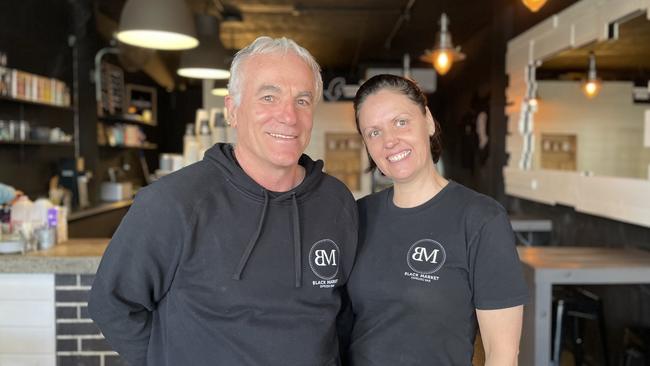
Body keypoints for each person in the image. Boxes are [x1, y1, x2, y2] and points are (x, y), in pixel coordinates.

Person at [88, 36, 358, 366]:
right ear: (232, 110)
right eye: (269, 97)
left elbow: (344, 317)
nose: (288, 116)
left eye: (302, 100)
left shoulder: (336, 202)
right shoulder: (173, 202)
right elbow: (112, 304)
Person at [344, 74, 528, 366]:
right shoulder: (358, 215)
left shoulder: (481, 219)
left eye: (400, 122)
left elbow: (502, 354)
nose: (390, 140)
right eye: (374, 132)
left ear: (427, 121)